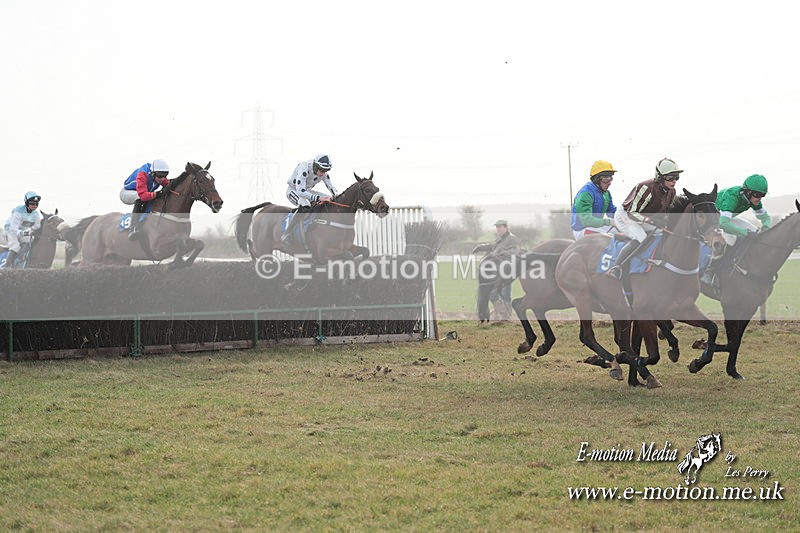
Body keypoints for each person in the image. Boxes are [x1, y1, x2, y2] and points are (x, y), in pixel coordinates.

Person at [607, 157, 682, 279]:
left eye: (676, 177)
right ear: (660, 177)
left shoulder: (671, 191)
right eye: (670, 177)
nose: (674, 181)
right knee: (641, 237)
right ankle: (616, 267)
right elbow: (631, 212)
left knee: (661, 233)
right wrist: (650, 220)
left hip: (643, 217)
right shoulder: (646, 187)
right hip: (625, 215)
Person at [700, 174, 771, 285]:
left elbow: (766, 218)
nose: (760, 198)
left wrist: (766, 227)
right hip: (713, 221)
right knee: (731, 239)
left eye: (763, 195)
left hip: (725, 219)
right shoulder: (732, 197)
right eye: (757, 194)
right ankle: (709, 270)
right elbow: (723, 224)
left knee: (757, 234)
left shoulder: (753, 200)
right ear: (748, 192)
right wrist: (744, 233)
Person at [281, 154, 338, 244]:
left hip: (307, 191)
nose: (323, 173)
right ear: (315, 166)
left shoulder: (323, 173)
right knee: (305, 205)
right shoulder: (304, 167)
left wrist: (336, 197)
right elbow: (300, 191)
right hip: (294, 190)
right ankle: (287, 233)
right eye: (322, 170)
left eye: (326, 170)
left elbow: (330, 186)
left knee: (328, 199)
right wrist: (318, 198)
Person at [472, 219, 523, 321]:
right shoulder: (501, 239)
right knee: (493, 294)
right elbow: (493, 246)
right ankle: (501, 314)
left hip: (507, 271)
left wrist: (501, 254)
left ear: (506, 227)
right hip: (498, 271)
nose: (498, 229)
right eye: (497, 227)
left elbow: (515, 251)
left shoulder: (512, 238)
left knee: (505, 295)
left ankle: (506, 316)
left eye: (500, 227)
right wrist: (481, 247)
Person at [119, 159, 171, 240]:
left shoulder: (158, 174)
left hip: (141, 192)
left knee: (153, 199)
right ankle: (132, 229)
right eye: (160, 176)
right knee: (140, 199)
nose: (162, 179)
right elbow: (143, 196)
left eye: (165, 176)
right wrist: (159, 193)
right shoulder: (142, 174)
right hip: (127, 192)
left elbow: (169, 185)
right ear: (153, 173)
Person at [571, 160, 618, 240]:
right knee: (611, 240)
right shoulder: (585, 194)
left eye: (611, 178)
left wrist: (626, 217)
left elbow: (613, 213)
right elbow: (587, 221)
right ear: (596, 179)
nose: (609, 182)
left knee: (624, 234)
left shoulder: (606, 193)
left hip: (596, 226)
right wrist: (609, 221)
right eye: (606, 178)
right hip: (582, 229)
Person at [3, 191, 43, 269]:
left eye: (36, 204)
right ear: (27, 203)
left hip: (22, 232)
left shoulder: (36, 214)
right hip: (10, 231)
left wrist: (31, 230)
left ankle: (19, 262)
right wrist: (23, 233)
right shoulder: (18, 211)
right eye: (32, 203)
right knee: (15, 247)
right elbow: (13, 228)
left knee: (28, 244)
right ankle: (6, 267)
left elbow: (37, 226)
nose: (34, 206)